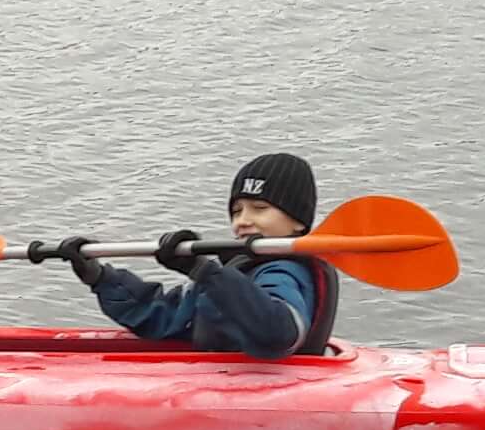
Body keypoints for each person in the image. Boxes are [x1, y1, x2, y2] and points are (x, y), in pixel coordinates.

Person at [74, 152, 340, 358]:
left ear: (298, 223)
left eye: (259, 208)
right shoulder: (236, 272)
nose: (243, 221)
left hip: (259, 400)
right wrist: (100, 278)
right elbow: (163, 318)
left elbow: (279, 333)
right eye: (236, 211)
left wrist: (205, 272)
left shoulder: (284, 272)